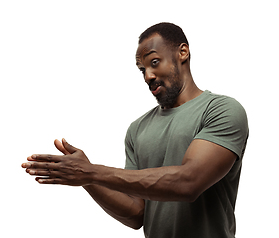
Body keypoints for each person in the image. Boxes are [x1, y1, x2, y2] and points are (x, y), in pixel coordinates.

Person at [21, 22, 249, 238]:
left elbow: (188, 183)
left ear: (182, 53)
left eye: (154, 62)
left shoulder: (221, 110)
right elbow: (136, 214)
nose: (148, 76)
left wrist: (92, 172)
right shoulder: (137, 129)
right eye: (142, 70)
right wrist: (87, 179)